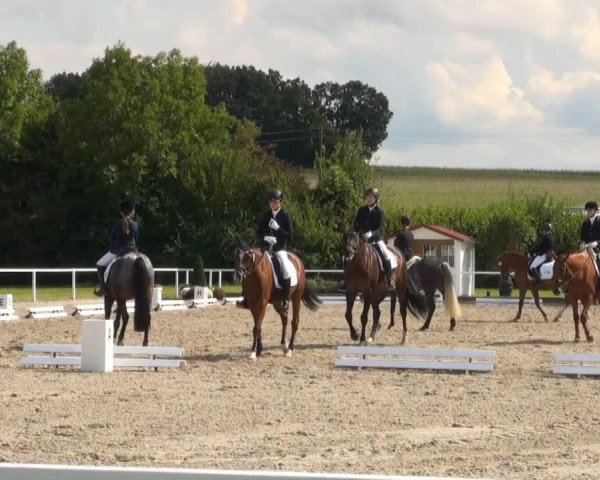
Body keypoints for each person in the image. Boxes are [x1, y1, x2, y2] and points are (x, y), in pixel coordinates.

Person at [237, 189, 294, 311]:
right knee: (249, 265)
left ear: (280, 203)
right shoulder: (266, 216)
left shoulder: (285, 216)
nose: (272, 204)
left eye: (275, 202)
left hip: (279, 249)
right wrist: (265, 237)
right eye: (271, 202)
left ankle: (285, 298)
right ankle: (246, 298)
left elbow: (290, 235)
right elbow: (258, 232)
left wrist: (278, 229)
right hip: (265, 248)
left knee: (285, 268)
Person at [94, 200, 139, 296]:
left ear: (121, 212)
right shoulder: (135, 224)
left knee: (99, 265)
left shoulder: (117, 224)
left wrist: (113, 248)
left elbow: (112, 239)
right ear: (132, 212)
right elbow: (135, 238)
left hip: (118, 251)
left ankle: (104, 288)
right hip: (133, 251)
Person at [353, 187, 395, 290]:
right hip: (362, 239)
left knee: (386, 254)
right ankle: (347, 280)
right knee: (348, 253)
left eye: (371, 196)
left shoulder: (380, 212)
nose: (368, 198)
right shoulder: (361, 210)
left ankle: (390, 280)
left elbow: (381, 229)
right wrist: (361, 233)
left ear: (376, 198)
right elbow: (356, 224)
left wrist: (371, 234)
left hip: (376, 239)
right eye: (367, 196)